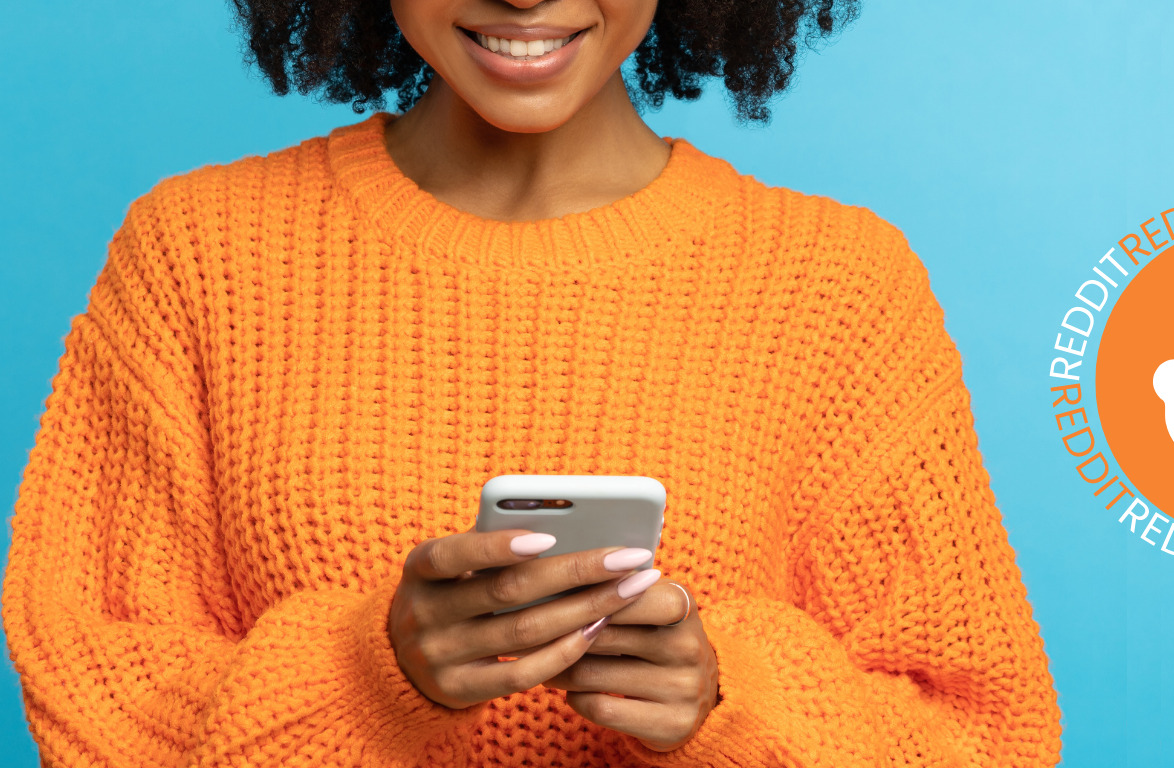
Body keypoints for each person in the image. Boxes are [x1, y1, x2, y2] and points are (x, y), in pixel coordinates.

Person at [1, 0, 1063, 764]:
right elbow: (92, 700)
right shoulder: (200, 256)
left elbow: (982, 735)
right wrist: (370, 678)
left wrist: (732, 704)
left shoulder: (836, 286)